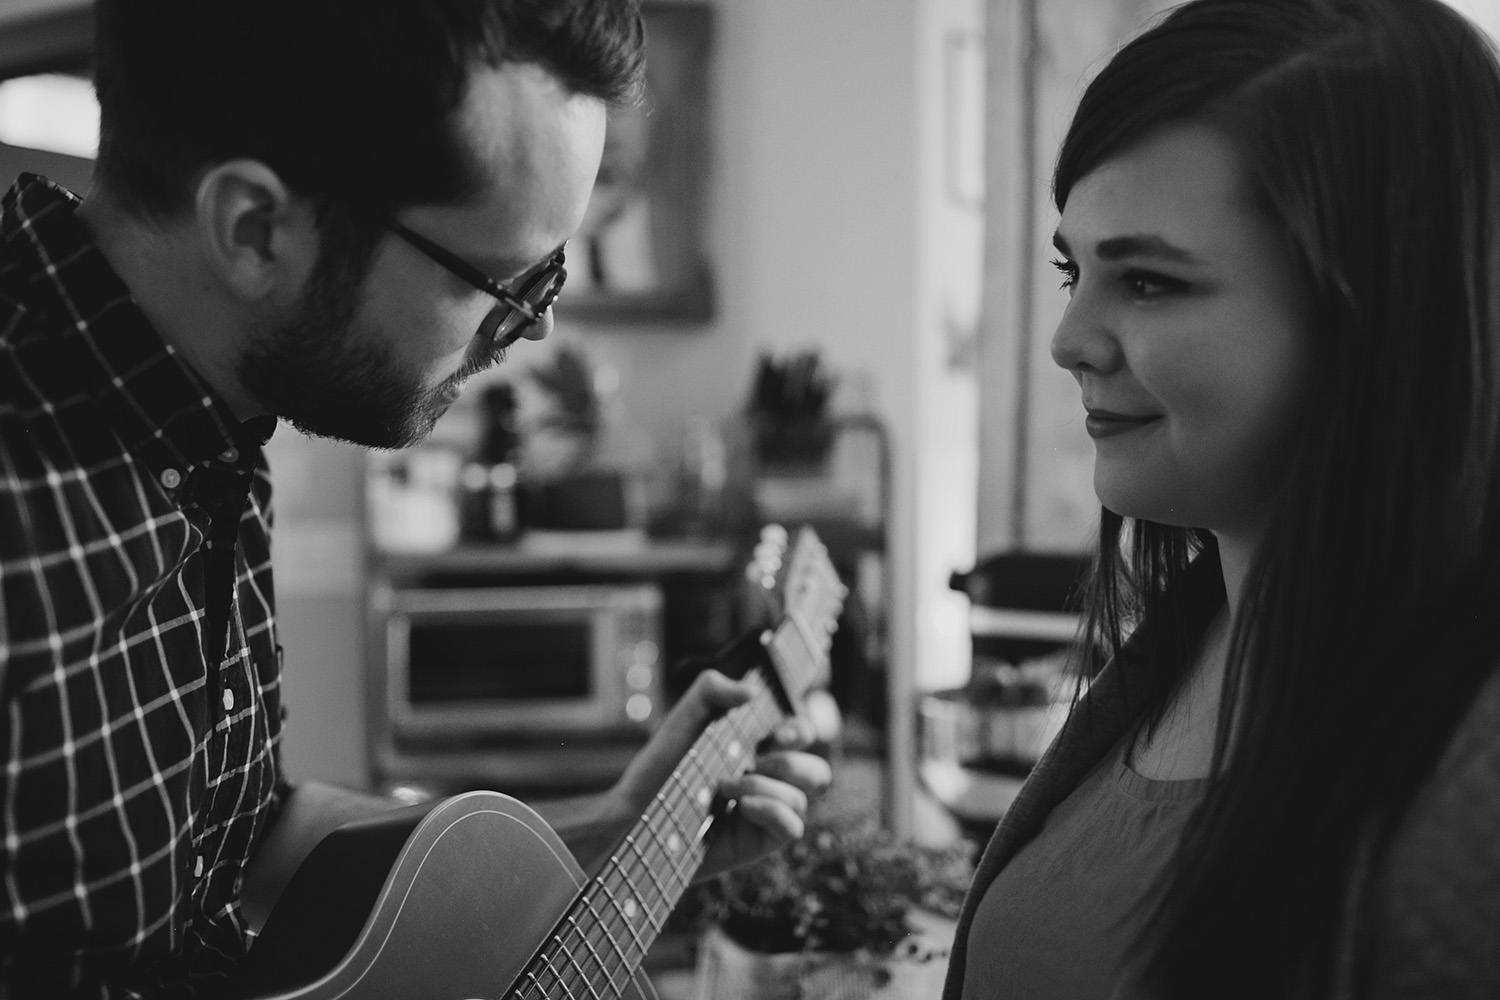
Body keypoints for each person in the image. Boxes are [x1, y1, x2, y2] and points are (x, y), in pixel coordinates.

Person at [0, 1, 831, 996]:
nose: (533, 331)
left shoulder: (203, 418)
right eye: (500, 280)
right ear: (256, 231)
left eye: (552, 273)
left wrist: (605, 824)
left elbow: (233, 838)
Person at [942, 0, 1500, 997]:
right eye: (1074, 270)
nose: (1068, 340)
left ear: (1380, 314)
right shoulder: (1182, 641)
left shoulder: (1471, 772)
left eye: (1149, 282)